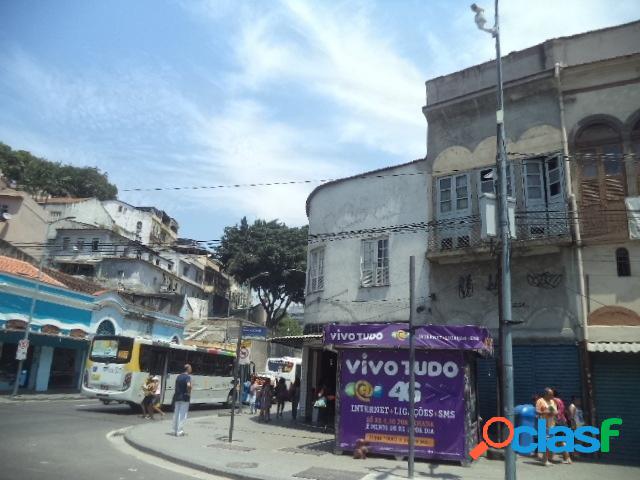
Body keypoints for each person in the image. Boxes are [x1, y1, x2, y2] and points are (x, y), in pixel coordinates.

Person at [536, 387, 559, 466]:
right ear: (546, 394)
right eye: (550, 394)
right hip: (543, 423)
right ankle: (545, 460)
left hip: (551, 424)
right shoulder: (540, 401)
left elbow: (556, 411)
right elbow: (537, 411)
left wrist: (553, 412)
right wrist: (546, 412)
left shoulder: (552, 401)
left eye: (552, 394)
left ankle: (545, 459)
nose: (552, 396)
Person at [551, 388, 572, 465]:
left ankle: (567, 458)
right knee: (558, 441)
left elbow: (554, 411)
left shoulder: (553, 401)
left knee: (560, 441)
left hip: (558, 422)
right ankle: (566, 458)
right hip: (563, 421)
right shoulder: (560, 400)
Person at [172, 364, 192, 436]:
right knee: (182, 414)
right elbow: (189, 385)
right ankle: (179, 431)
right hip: (184, 397)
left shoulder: (178, 376)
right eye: (190, 368)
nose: (191, 369)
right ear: (187, 369)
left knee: (176, 413)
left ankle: (175, 430)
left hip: (177, 397)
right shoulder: (187, 377)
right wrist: (189, 392)